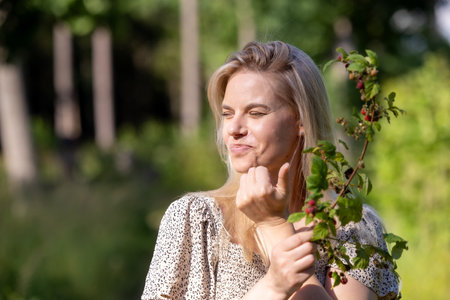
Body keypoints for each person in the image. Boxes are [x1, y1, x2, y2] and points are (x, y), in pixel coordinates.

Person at [141, 41, 398, 300]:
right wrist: (273, 288)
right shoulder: (196, 220)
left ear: (301, 120)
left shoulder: (352, 228)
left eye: (255, 112)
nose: (234, 129)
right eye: (228, 114)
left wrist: (274, 226)